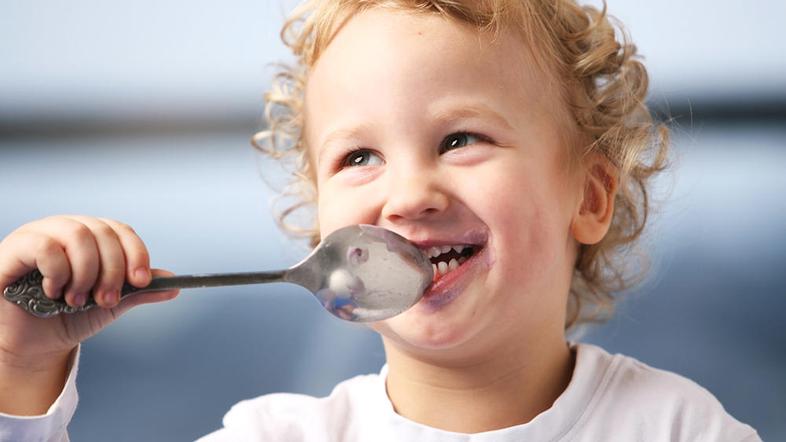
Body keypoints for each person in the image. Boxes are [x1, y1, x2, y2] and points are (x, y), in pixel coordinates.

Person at [0, 1, 761, 441]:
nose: (407, 195)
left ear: (590, 197)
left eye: (461, 139)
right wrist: (21, 364)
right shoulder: (277, 437)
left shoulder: (678, 428)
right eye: (359, 157)